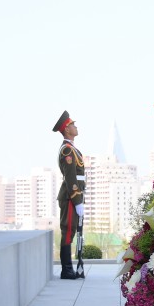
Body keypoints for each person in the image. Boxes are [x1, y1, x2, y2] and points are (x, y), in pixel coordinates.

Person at [52, 111, 86, 280]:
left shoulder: (72, 149)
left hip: (75, 195)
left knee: (71, 231)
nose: (76, 126)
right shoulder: (67, 150)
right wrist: (77, 200)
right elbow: (70, 177)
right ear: (66, 129)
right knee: (68, 230)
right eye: (73, 124)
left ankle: (69, 269)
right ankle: (66, 270)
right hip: (70, 196)